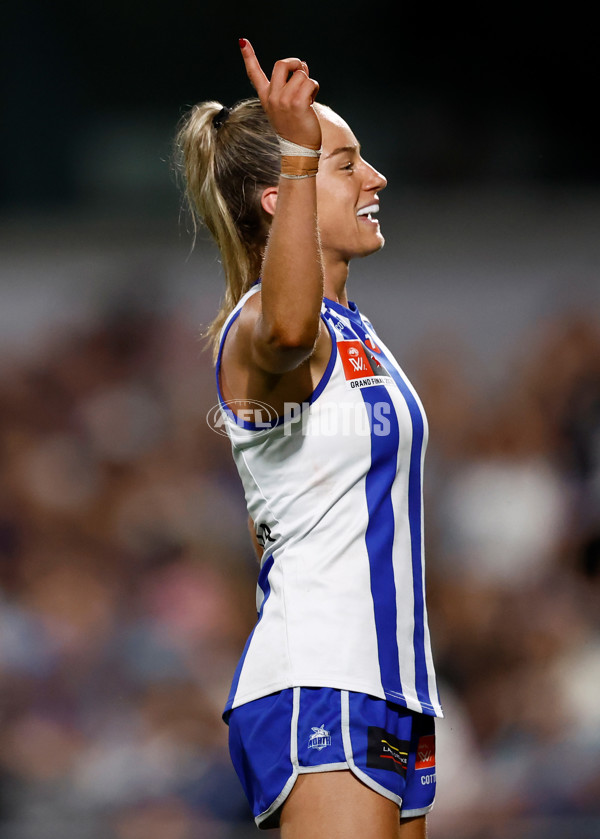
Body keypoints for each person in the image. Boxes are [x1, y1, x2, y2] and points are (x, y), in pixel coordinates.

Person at [175, 38, 443, 839]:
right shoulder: (264, 319)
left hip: (393, 685)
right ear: (278, 195)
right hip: (324, 676)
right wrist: (299, 152)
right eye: (346, 164)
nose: (375, 179)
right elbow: (290, 327)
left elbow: (275, 524)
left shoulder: (358, 332)